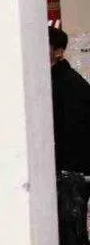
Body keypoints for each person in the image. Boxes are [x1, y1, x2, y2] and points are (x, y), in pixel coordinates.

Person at [51, 26, 90, 175]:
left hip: (69, 172)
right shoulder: (51, 80)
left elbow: (72, 133)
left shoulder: (70, 83)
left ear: (58, 52)